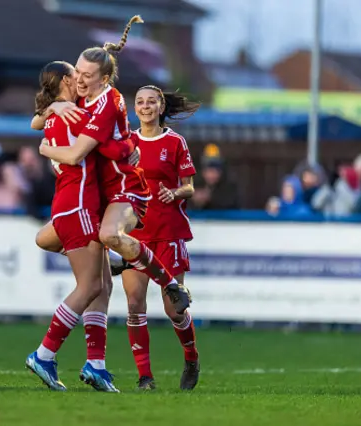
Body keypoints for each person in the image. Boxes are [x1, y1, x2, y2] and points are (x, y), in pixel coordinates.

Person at [35, 16, 191, 317]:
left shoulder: (108, 101)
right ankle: (115, 257)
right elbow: (35, 120)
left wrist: (45, 148)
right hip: (97, 195)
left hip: (124, 188)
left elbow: (74, 155)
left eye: (87, 76)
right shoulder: (81, 99)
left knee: (106, 240)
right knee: (44, 239)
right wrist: (54, 106)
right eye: (77, 72)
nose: (78, 80)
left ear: (103, 80)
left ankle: (171, 284)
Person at [25, 61, 134, 392]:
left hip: (70, 205)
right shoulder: (80, 115)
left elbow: (36, 121)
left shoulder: (59, 112)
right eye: (76, 75)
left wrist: (52, 109)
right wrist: (130, 147)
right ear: (65, 81)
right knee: (88, 286)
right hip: (78, 205)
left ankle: (96, 365)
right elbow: (91, 151)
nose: (81, 79)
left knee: (102, 285)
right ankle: (44, 354)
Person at [117, 85, 200, 390]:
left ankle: (191, 358)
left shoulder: (175, 142)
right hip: (135, 233)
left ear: (161, 106)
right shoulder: (127, 142)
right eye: (140, 102)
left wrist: (175, 191)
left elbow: (189, 186)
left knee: (173, 308)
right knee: (135, 304)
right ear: (134, 108)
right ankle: (145, 377)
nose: (145, 106)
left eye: (151, 101)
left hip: (168, 232)